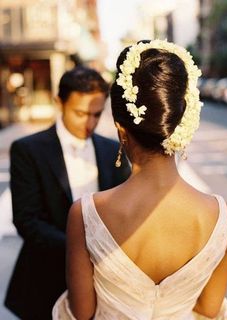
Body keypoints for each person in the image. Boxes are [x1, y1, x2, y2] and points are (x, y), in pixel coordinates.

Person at [53, 40, 227, 319]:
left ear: (120, 128)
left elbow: (82, 312)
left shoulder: (86, 214)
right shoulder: (219, 215)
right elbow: (210, 310)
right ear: (179, 122)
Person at [5, 66, 131, 320]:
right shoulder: (27, 150)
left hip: (104, 286)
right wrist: (82, 251)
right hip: (44, 281)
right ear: (59, 102)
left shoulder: (112, 150)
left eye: (96, 114)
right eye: (81, 113)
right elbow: (27, 221)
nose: (90, 123)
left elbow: (126, 208)